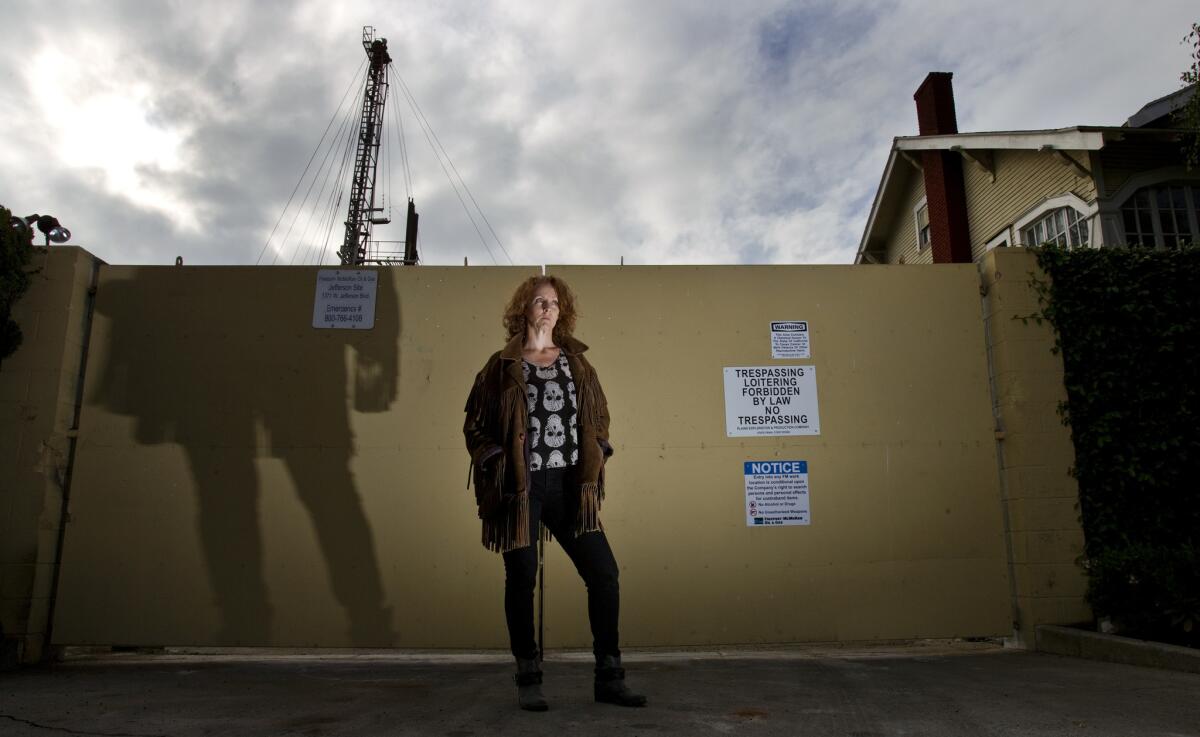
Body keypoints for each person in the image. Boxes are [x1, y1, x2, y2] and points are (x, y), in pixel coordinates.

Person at [463, 275, 647, 712]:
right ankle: (528, 676)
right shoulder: (501, 366)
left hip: (569, 487)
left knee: (604, 574)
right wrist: (495, 461)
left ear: (562, 312)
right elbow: (474, 426)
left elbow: (599, 418)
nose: (547, 308)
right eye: (539, 301)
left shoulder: (578, 364)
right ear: (523, 309)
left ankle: (609, 677)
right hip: (522, 489)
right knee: (522, 578)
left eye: (554, 302)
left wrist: (598, 451)